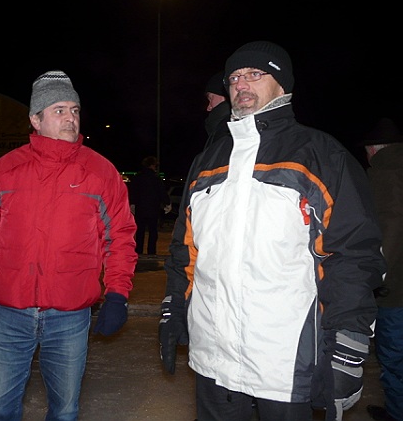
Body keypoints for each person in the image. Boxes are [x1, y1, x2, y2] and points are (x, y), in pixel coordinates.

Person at [159, 40, 386, 421]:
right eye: (234, 78)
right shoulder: (209, 160)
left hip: (284, 361)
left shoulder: (320, 154)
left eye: (254, 74)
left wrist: (347, 347)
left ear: (283, 85)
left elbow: (352, 256)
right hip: (213, 358)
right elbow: (186, 249)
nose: (241, 85)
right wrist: (174, 308)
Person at [0, 70, 138, 420]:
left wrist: (117, 294)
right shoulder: (6, 170)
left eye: (75, 110)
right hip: (11, 312)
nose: (71, 118)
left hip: (70, 315)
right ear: (35, 119)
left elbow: (120, 238)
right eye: (59, 110)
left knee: (65, 411)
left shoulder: (101, 172)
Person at [360, 118, 403, 421]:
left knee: (394, 355)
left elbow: (390, 227)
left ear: (373, 149)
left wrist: (377, 277)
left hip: (396, 290)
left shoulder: (384, 174)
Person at [129, 155, 171, 256]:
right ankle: (151, 252)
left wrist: (132, 204)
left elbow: (132, 192)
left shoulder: (138, 178)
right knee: (153, 231)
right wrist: (167, 203)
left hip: (140, 208)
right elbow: (162, 192)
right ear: (152, 165)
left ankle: (139, 251)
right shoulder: (156, 179)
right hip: (153, 208)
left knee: (140, 231)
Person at [203, 70, 231, 147]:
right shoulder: (220, 130)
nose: (208, 108)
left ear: (224, 96)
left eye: (210, 99)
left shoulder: (226, 132)